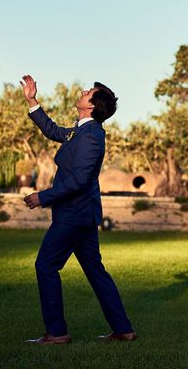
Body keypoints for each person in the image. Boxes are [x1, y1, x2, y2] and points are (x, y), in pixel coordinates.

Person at [20, 75, 136, 345]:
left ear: (92, 106)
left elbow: (79, 181)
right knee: (95, 271)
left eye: (89, 92)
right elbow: (52, 131)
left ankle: (57, 333)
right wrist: (32, 100)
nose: (83, 91)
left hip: (74, 216)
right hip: (81, 216)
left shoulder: (92, 135)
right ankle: (123, 330)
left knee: (46, 265)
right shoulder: (80, 130)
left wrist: (43, 197)